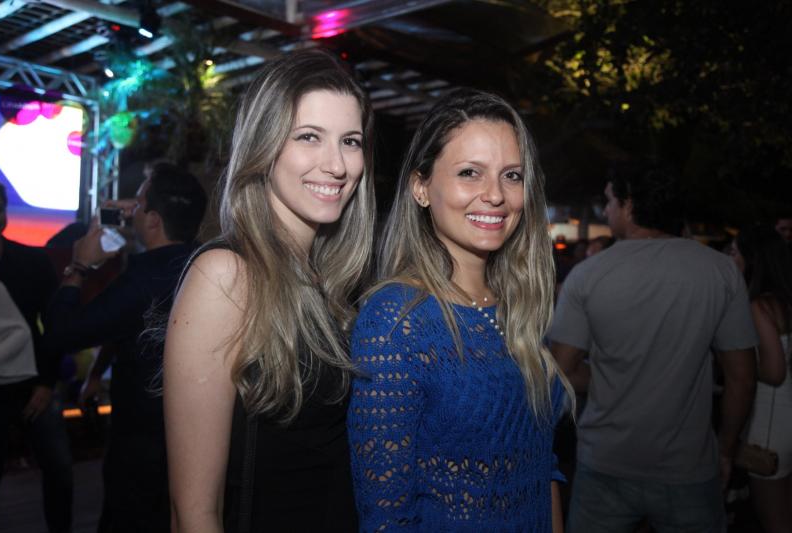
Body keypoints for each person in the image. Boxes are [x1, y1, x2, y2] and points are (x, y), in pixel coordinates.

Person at [163, 49, 375, 532]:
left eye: (350, 141)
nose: (337, 165)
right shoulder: (227, 276)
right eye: (309, 137)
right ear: (265, 146)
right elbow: (193, 514)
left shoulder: (332, 283)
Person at [348, 88, 571, 532]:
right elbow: (386, 517)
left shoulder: (518, 308)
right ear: (421, 187)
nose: (495, 195)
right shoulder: (396, 320)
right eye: (470, 172)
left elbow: (542, 466)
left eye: (512, 176)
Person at [549, 162, 758, 532]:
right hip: (688, 466)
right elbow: (742, 377)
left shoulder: (588, 275)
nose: (606, 211)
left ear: (629, 205)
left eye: (610, 201)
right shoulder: (720, 271)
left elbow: (560, 370)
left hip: (606, 463)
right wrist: (726, 450)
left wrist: (613, 377)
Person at [44, 163, 207, 533]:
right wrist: (96, 374)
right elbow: (128, 327)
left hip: (141, 446)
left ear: (153, 220)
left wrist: (78, 266)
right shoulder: (203, 266)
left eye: (139, 203)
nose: (132, 210)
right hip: (194, 438)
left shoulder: (140, 281)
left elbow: (59, 334)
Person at [0, 179, 73, 533]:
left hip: (32, 382)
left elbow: (54, 325)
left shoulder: (32, 261)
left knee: (59, 468)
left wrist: (46, 382)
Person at [731, 225, 792, 533]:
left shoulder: (760, 306)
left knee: (774, 520)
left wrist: (734, 364)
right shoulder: (785, 302)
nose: (730, 259)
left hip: (769, 429)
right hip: (785, 421)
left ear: (752, 259)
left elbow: (774, 372)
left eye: (734, 252)